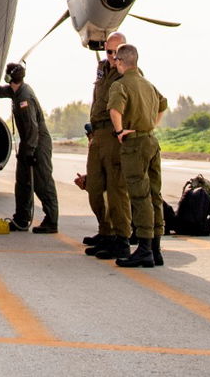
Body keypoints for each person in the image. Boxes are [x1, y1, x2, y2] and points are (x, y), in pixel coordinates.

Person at [0, 61, 58, 233]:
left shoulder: (24, 98)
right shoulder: (16, 90)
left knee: (42, 182)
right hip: (29, 143)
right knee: (23, 183)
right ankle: (21, 218)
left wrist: (30, 152)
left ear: (10, 76)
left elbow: (32, 128)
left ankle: (51, 221)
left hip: (37, 144)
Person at [106, 43, 169, 268]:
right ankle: (156, 249)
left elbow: (115, 110)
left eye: (116, 59)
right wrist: (151, 124)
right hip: (152, 140)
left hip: (135, 145)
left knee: (140, 197)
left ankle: (143, 250)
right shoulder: (147, 84)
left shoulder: (120, 85)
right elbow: (164, 104)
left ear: (121, 62)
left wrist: (120, 131)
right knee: (155, 195)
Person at [80, 32, 132, 261]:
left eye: (116, 52)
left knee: (115, 190)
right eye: (108, 51)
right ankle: (105, 231)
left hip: (112, 135)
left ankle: (119, 238)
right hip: (97, 134)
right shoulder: (103, 69)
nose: (111, 56)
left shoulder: (127, 74)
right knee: (94, 187)